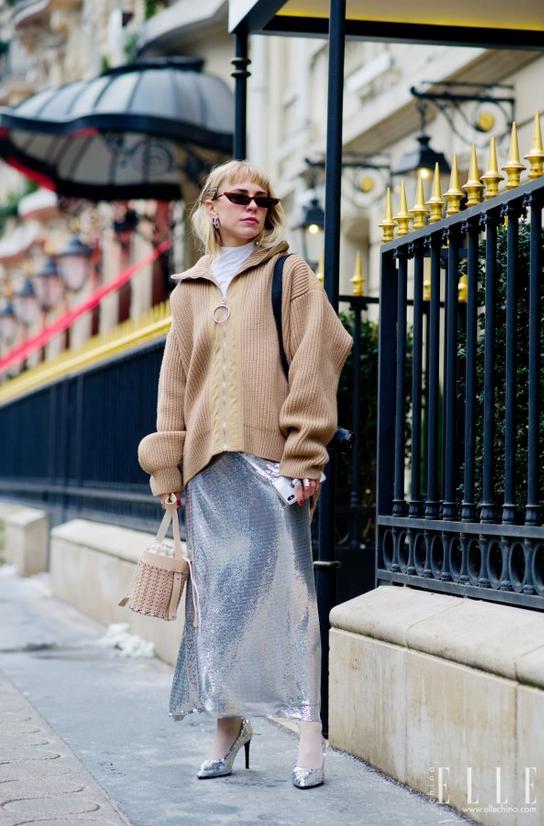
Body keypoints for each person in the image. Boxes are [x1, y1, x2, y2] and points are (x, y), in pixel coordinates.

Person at [138, 159, 353, 789]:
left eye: (263, 200)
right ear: (210, 206)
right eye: (239, 197)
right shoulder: (188, 290)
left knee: (290, 600)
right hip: (207, 469)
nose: (253, 207)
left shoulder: (290, 273)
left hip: (273, 463)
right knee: (218, 605)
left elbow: (318, 357)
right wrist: (169, 467)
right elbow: (175, 383)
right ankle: (229, 725)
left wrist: (305, 453)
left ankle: (309, 730)